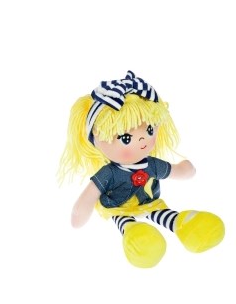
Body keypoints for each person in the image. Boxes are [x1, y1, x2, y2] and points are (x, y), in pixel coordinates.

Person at [58, 70, 225, 267]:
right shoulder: (109, 173)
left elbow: (174, 170)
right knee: (126, 222)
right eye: (126, 138)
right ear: (97, 141)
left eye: (149, 129)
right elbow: (90, 195)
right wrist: (81, 210)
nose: (143, 140)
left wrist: (183, 169)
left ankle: (187, 225)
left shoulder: (151, 164)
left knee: (165, 214)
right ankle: (137, 235)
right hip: (119, 208)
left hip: (150, 202)